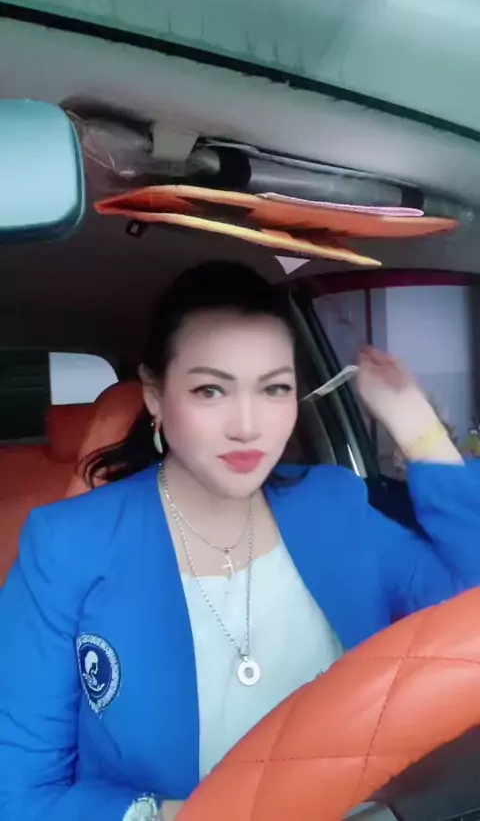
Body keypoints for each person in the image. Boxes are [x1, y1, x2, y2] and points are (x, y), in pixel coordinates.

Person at [0, 260, 479, 821]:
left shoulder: (332, 503)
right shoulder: (66, 545)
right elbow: (21, 794)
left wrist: (416, 426)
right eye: (210, 390)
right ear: (155, 395)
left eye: (274, 388)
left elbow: (467, 613)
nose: (248, 426)